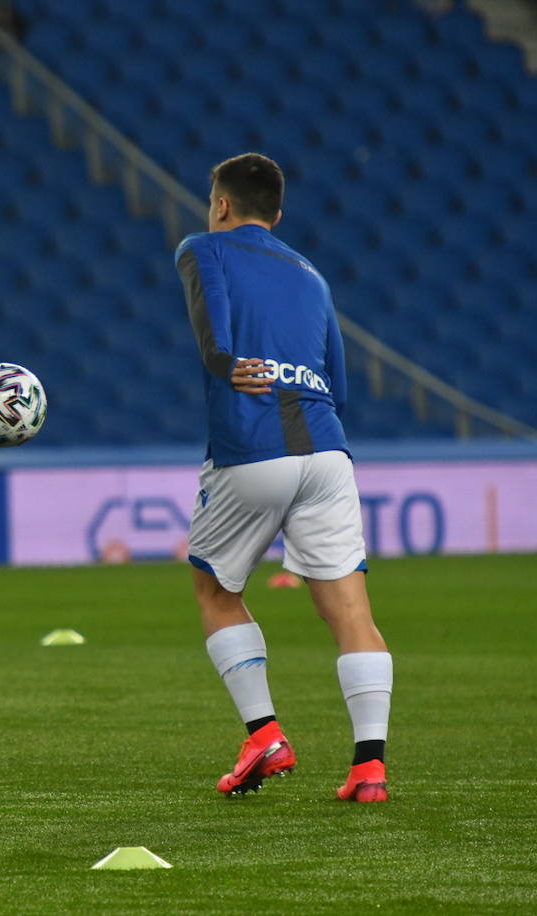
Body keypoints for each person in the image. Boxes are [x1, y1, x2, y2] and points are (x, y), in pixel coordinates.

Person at [174, 153, 392, 803]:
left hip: (251, 448)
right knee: (351, 611)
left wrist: (226, 362)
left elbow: (208, 324)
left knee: (214, 591)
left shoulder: (202, 248)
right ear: (277, 214)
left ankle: (264, 733)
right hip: (328, 452)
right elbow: (341, 383)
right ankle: (369, 766)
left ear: (221, 205)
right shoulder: (314, 276)